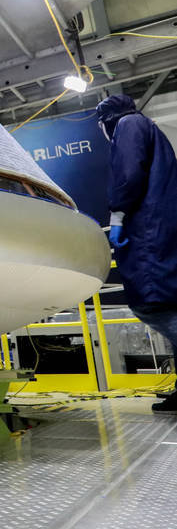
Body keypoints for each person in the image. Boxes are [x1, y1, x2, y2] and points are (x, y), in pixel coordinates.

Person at [96, 94, 177, 414]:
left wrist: (117, 213)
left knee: (154, 305)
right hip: (159, 227)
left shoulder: (129, 125)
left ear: (108, 120)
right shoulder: (151, 131)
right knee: (165, 305)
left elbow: (128, 174)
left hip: (148, 231)